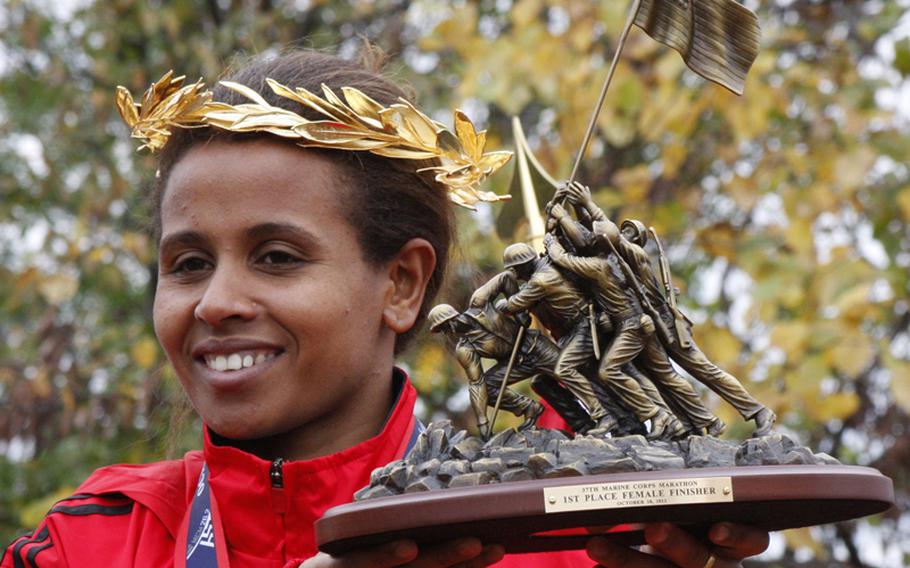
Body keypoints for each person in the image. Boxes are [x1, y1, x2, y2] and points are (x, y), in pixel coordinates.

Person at [2, 49, 770, 568]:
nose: (218, 301)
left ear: (402, 284)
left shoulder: (556, 538)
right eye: (188, 263)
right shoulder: (90, 543)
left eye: (277, 257)